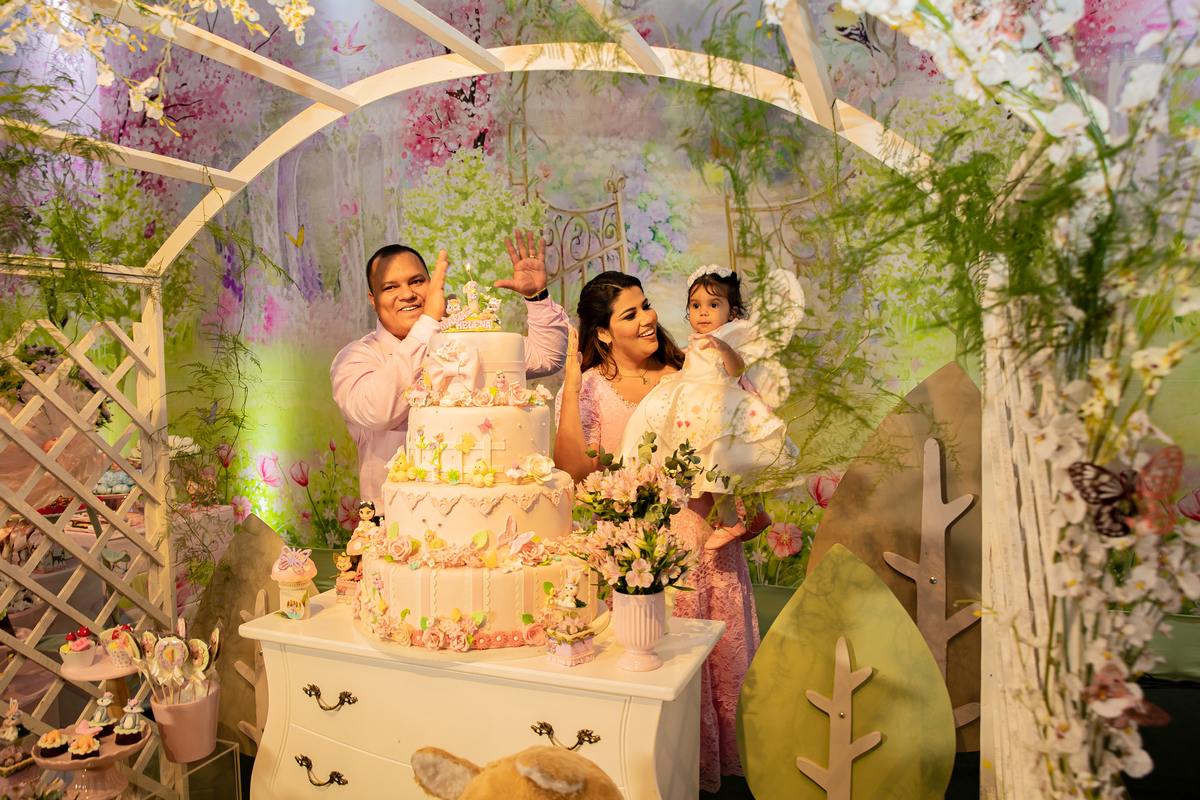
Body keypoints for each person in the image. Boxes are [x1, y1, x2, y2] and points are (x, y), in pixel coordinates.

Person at [552, 271, 759, 793]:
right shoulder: (590, 388)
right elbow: (574, 472)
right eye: (631, 314)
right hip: (636, 563)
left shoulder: (689, 368)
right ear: (603, 332)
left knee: (713, 669)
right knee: (648, 672)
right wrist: (571, 386)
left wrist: (748, 508)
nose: (648, 318)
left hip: (705, 548)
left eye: (646, 306)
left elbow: (737, 434)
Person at [331, 230, 568, 503]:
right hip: (395, 515)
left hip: (484, 505)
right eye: (390, 287)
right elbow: (377, 412)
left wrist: (537, 297)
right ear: (373, 299)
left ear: (431, 285)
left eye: (416, 281)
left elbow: (547, 357)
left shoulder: (464, 341)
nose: (407, 294)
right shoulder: (356, 357)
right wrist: (428, 324)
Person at [615, 265, 802, 550]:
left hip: (718, 406)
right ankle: (756, 515)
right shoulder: (700, 338)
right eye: (695, 305)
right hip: (701, 405)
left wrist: (725, 349)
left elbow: (737, 369)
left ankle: (731, 521)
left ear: (732, 311)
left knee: (717, 463)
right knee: (726, 462)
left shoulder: (731, 334)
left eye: (713, 305)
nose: (703, 312)